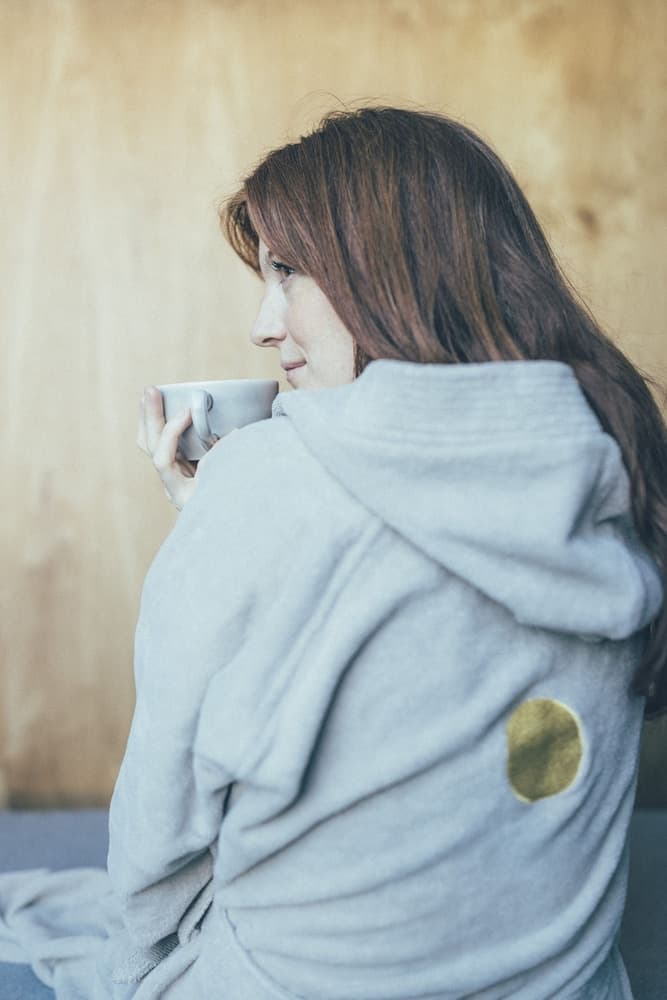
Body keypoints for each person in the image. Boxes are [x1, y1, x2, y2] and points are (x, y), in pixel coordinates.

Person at [117, 106, 665, 999]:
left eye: (288, 272)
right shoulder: (608, 454)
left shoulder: (264, 480)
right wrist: (217, 519)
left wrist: (138, 970)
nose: (263, 325)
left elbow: (159, 827)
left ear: (390, 268)